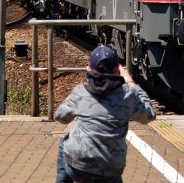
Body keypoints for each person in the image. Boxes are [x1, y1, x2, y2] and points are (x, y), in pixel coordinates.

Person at [55, 45, 156, 183]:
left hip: (79, 167)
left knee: (65, 142)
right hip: (111, 168)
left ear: (89, 69)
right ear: (117, 71)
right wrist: (131, 82)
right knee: (110, 170)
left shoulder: (81, 91)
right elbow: (149, 115)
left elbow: (60, 117)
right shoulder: (128, 94)